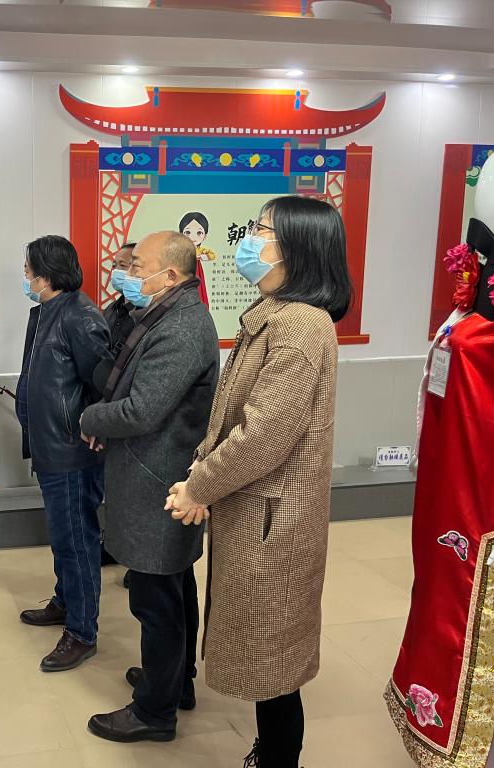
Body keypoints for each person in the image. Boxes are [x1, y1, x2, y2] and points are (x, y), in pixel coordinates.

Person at [167, 195, 351, 768]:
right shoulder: (277, 312)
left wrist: (200, 487)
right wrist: (204, 478)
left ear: (298, 247)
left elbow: (264, 434)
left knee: (273, 652)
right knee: (268, 647)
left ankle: (277, 757)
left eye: (262, 229)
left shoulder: (300, 324)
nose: (251, 238)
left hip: (275, 518)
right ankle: (271, 750)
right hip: (255, 508)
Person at [80, 231, 219, 743]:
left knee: (156, 599)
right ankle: (175, 682)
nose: (127, 273)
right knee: (172, 586)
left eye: (137, 265)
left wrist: (89, 417)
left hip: (158, 480)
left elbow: (142, 409)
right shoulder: (164, 314)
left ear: (171, 275)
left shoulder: (180, 326)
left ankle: (155, 712)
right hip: (154, 474)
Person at [16, 235, 112, 672]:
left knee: (76, 541)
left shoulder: (80, 316)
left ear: (47, 272)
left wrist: (94, 425)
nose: (25, 275)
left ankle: (82, 632)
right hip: (49, 446)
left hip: (72, 450)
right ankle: (65, 601)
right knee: (63, 538)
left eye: (29, 268)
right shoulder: (47, 312)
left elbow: (105, 382)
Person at [101, 242, 136, 570]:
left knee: (135, 492)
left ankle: (136, 560)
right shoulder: (111, 311)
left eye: (126, 265)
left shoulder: (147, 315)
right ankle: (114, 545)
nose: (118, 272)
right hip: (108, 404)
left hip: (132, 408)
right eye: (115, 265)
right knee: (113, 487)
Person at [179, 211, 216, 307]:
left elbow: (212, 255)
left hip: (197, 270)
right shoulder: (181, 249)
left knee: (199, 288)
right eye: (188, 232)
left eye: (199, 233)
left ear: (205, 236)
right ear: (181, 234)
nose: (193, 237)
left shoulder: (201, 250)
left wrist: (201, 257)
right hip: (184, 270)